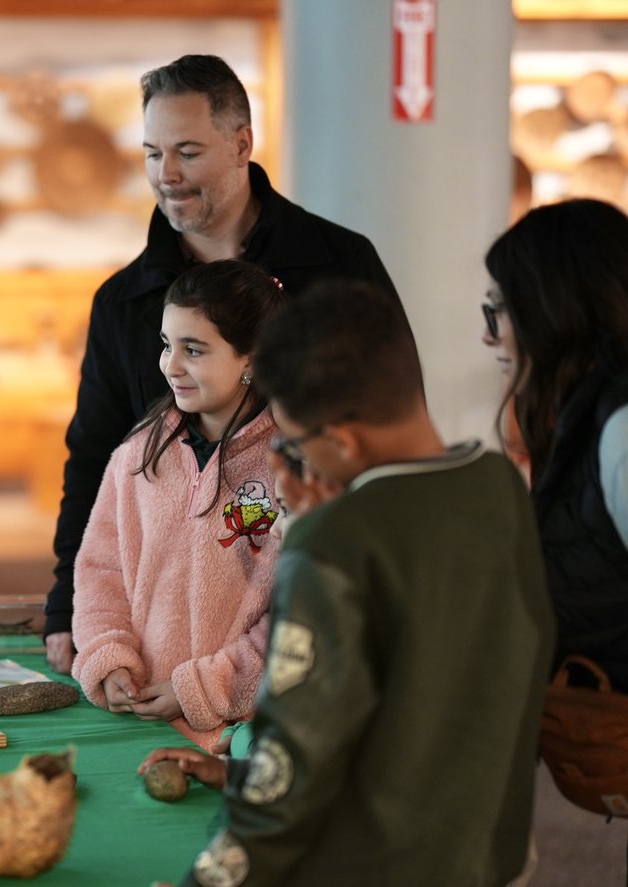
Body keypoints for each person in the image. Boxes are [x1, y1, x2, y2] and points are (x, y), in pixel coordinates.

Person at [146, 281, 552, 886]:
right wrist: (240, 771)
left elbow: (298, 755)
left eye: (294, 442)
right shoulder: (498, 485)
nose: (289, 461)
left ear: (339, 439)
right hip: (491, 846)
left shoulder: (335, 543)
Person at [44, 53, 401, 674]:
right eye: (153, 153)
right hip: (162, 648)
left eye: (188, 151)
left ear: (242, 144)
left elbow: (397, 423)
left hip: (322, 617)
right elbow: (94, 458)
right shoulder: (122, 301)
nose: (168, 175)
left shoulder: (341, 264)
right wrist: (63, 608)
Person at [71, 261, 282, 750]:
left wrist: (204, 689)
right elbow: (99, 570)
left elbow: (303, 610)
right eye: (167, 345)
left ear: (250, 357)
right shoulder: (137, 456)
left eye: (194, 349)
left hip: (245, 738)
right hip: (135, 724)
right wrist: (109, 657)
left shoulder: (294, 467)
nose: (170, 366)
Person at [484, 198, 628, 690]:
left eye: (497, 310)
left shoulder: (619, 427)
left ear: (547, 309)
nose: (490, 338)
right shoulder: (584, 418)